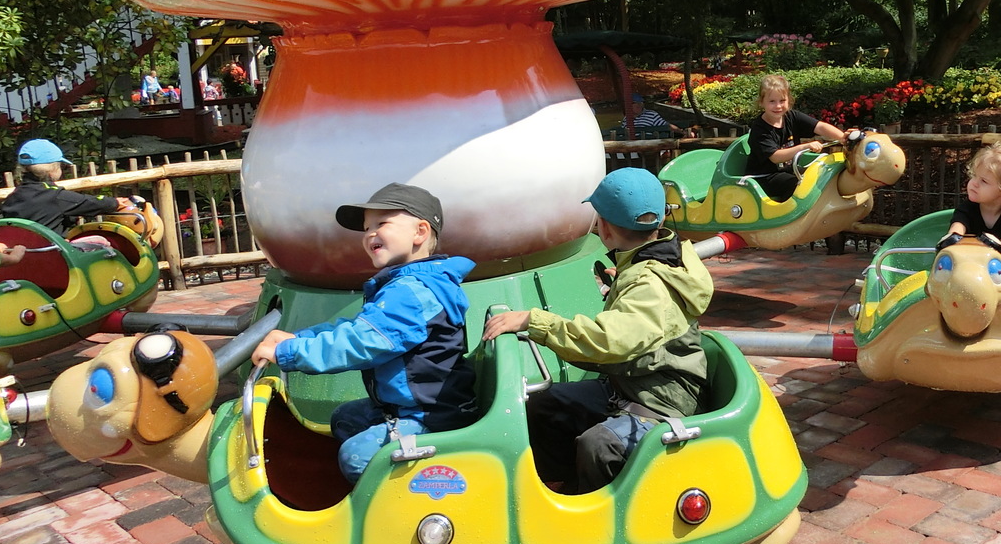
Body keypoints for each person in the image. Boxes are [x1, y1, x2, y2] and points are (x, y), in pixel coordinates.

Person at [483, 167, 713, 494]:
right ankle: (559, 486)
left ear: (603, 227)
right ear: (661, 218)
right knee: (545, 403)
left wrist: (534, 322)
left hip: (662, 399)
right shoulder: (655, 258)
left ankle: (598, 507)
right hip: (633, 381)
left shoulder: (648, 284)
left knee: (600, 445)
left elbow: (607, 342)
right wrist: (624, 278)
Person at [250, 184, 477, 484]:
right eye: (367, 228)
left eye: (382, 223)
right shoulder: (404, 285)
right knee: (345, 418)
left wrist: (290, 353)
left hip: (429, 415)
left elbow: (362, 343)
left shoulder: (411, 293)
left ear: (420, 232)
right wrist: (300, 338)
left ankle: (392, 503)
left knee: (355, 456)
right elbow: (359, 327)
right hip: (408, 405)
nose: (370, 234)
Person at [745, 74, 846, 200]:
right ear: (761, 102)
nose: (778, 106)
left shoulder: (791, 117)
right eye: (772, 101)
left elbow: (820, 127)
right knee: (798, 185)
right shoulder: (760, 129)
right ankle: (793, 211)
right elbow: (776, 157)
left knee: (821, 175)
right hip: (764, 177)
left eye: (782, 101)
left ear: (789, 100)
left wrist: (843, 138)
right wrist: (805, 146)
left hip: (788, 171)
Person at [0, 140, 137, 233]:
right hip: (53, 255)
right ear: (52, 170)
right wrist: (115, 202)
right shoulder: (55, 196)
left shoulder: (13, 197)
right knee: (104, 245)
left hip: (25, 254)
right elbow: (89, 202)